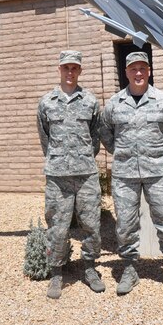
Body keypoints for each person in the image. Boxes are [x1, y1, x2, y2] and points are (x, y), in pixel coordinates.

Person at [100, 51, 163, 296]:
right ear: (126, 72)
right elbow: (106, 134)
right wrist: (123, 153)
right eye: (133, 69)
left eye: (142, 68)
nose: (138, 73)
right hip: (125, 176)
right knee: (125, 225)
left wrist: (156, 155)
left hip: (157, 172)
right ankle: (129, 268)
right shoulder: (114, 103)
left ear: (149, 71)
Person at [37, 50, 105, 299]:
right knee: (57, 225)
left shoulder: (90, 101)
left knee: (91, 224)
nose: (70, 72)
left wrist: (82, 157)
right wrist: (59, 159)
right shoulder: (46, 102)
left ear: (80, 71)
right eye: (66, 67)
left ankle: (89, 267)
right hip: (58, 177)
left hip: (86, 174)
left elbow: (95, 137)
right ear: (60, 69)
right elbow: (45, 137)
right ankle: (57, 272)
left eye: (74, 68)